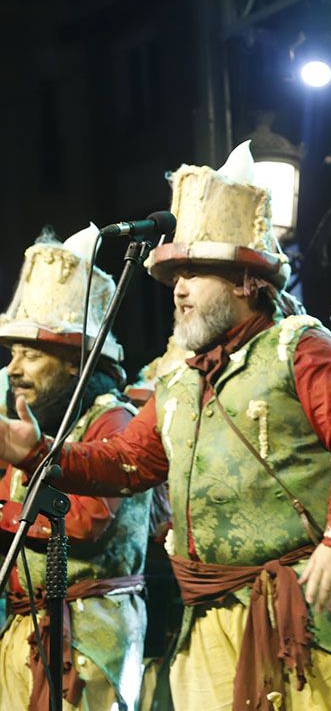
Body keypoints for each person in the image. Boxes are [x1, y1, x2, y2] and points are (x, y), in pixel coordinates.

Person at [0, 144, 331, 711]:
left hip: (298, 604)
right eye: (175, 273)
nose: (178, 289)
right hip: (204, 611)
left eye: (196, 271)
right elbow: (128, 463)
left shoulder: (301, 349)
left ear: (245, 281)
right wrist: (39, 452)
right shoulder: (180, 382)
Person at [0, 225, 148, 711]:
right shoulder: (30, 423)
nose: (14, 368)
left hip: (90, 630)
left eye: (32, 354)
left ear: (73, 363)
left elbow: (85, 520)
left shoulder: (112, 418)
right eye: (13, 353)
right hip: (25, 628)